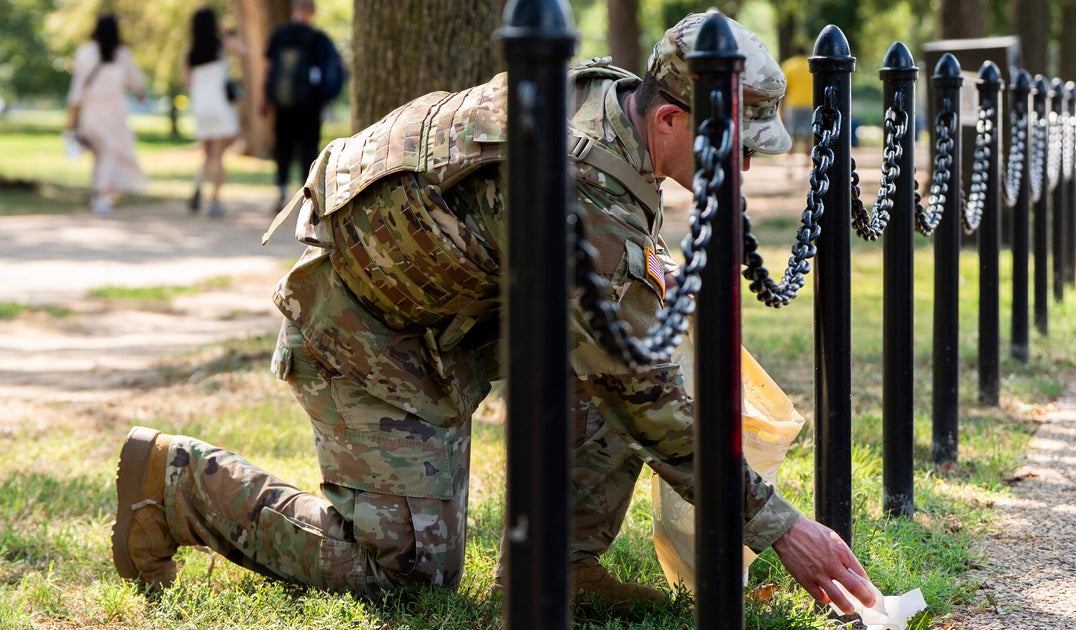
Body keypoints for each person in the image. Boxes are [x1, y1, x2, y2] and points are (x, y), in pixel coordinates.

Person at [110, 12, 877, 618]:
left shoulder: (618, 104)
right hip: (371, 329)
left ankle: (559, 565)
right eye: (739, 145)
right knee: (403, 570)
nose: (745, 165)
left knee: (632, 341)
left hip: (462, 312)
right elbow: (635, 389)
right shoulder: (582, 179)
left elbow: (616, 341)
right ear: (672, 119)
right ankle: (179, 483)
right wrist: (781, 526)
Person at [262, 0, 341, 214]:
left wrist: (266, 99)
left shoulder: (279, 35)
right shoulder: (317, 39)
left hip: (283, 103)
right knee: (308, 149)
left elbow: (268, 70)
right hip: (310, 106)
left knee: (283, 147)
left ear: (293, 10)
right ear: (312, 12)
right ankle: (307, 196)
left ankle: (281, 191)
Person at [66, 12, 146, 217]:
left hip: (92, 112)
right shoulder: (122, 54)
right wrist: (139, 92)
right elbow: (137, 83)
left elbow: (76, 91)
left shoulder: (85, 53)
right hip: (113, 112)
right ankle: (102, 197)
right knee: (108, 153)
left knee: (101, 155)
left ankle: (99, 196)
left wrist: (72, 119)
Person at [184, 7, 248, 219]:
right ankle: (216, 200)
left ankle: (197, 186)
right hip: (219, 104)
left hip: (200, 106)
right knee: (219, 155)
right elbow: (244, 50)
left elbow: (187, 81)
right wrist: (226, 31)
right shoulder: (221, 46)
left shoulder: (190, 53)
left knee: (205, 153)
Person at [780, 46, 813, 168]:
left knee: (791, 134)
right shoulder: (811, 65)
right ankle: (808, 162)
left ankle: (790, 163)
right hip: (810, 104)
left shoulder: (788, 65)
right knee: (809, 135)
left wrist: (782, 109)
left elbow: (783, 89)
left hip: (793, 104)